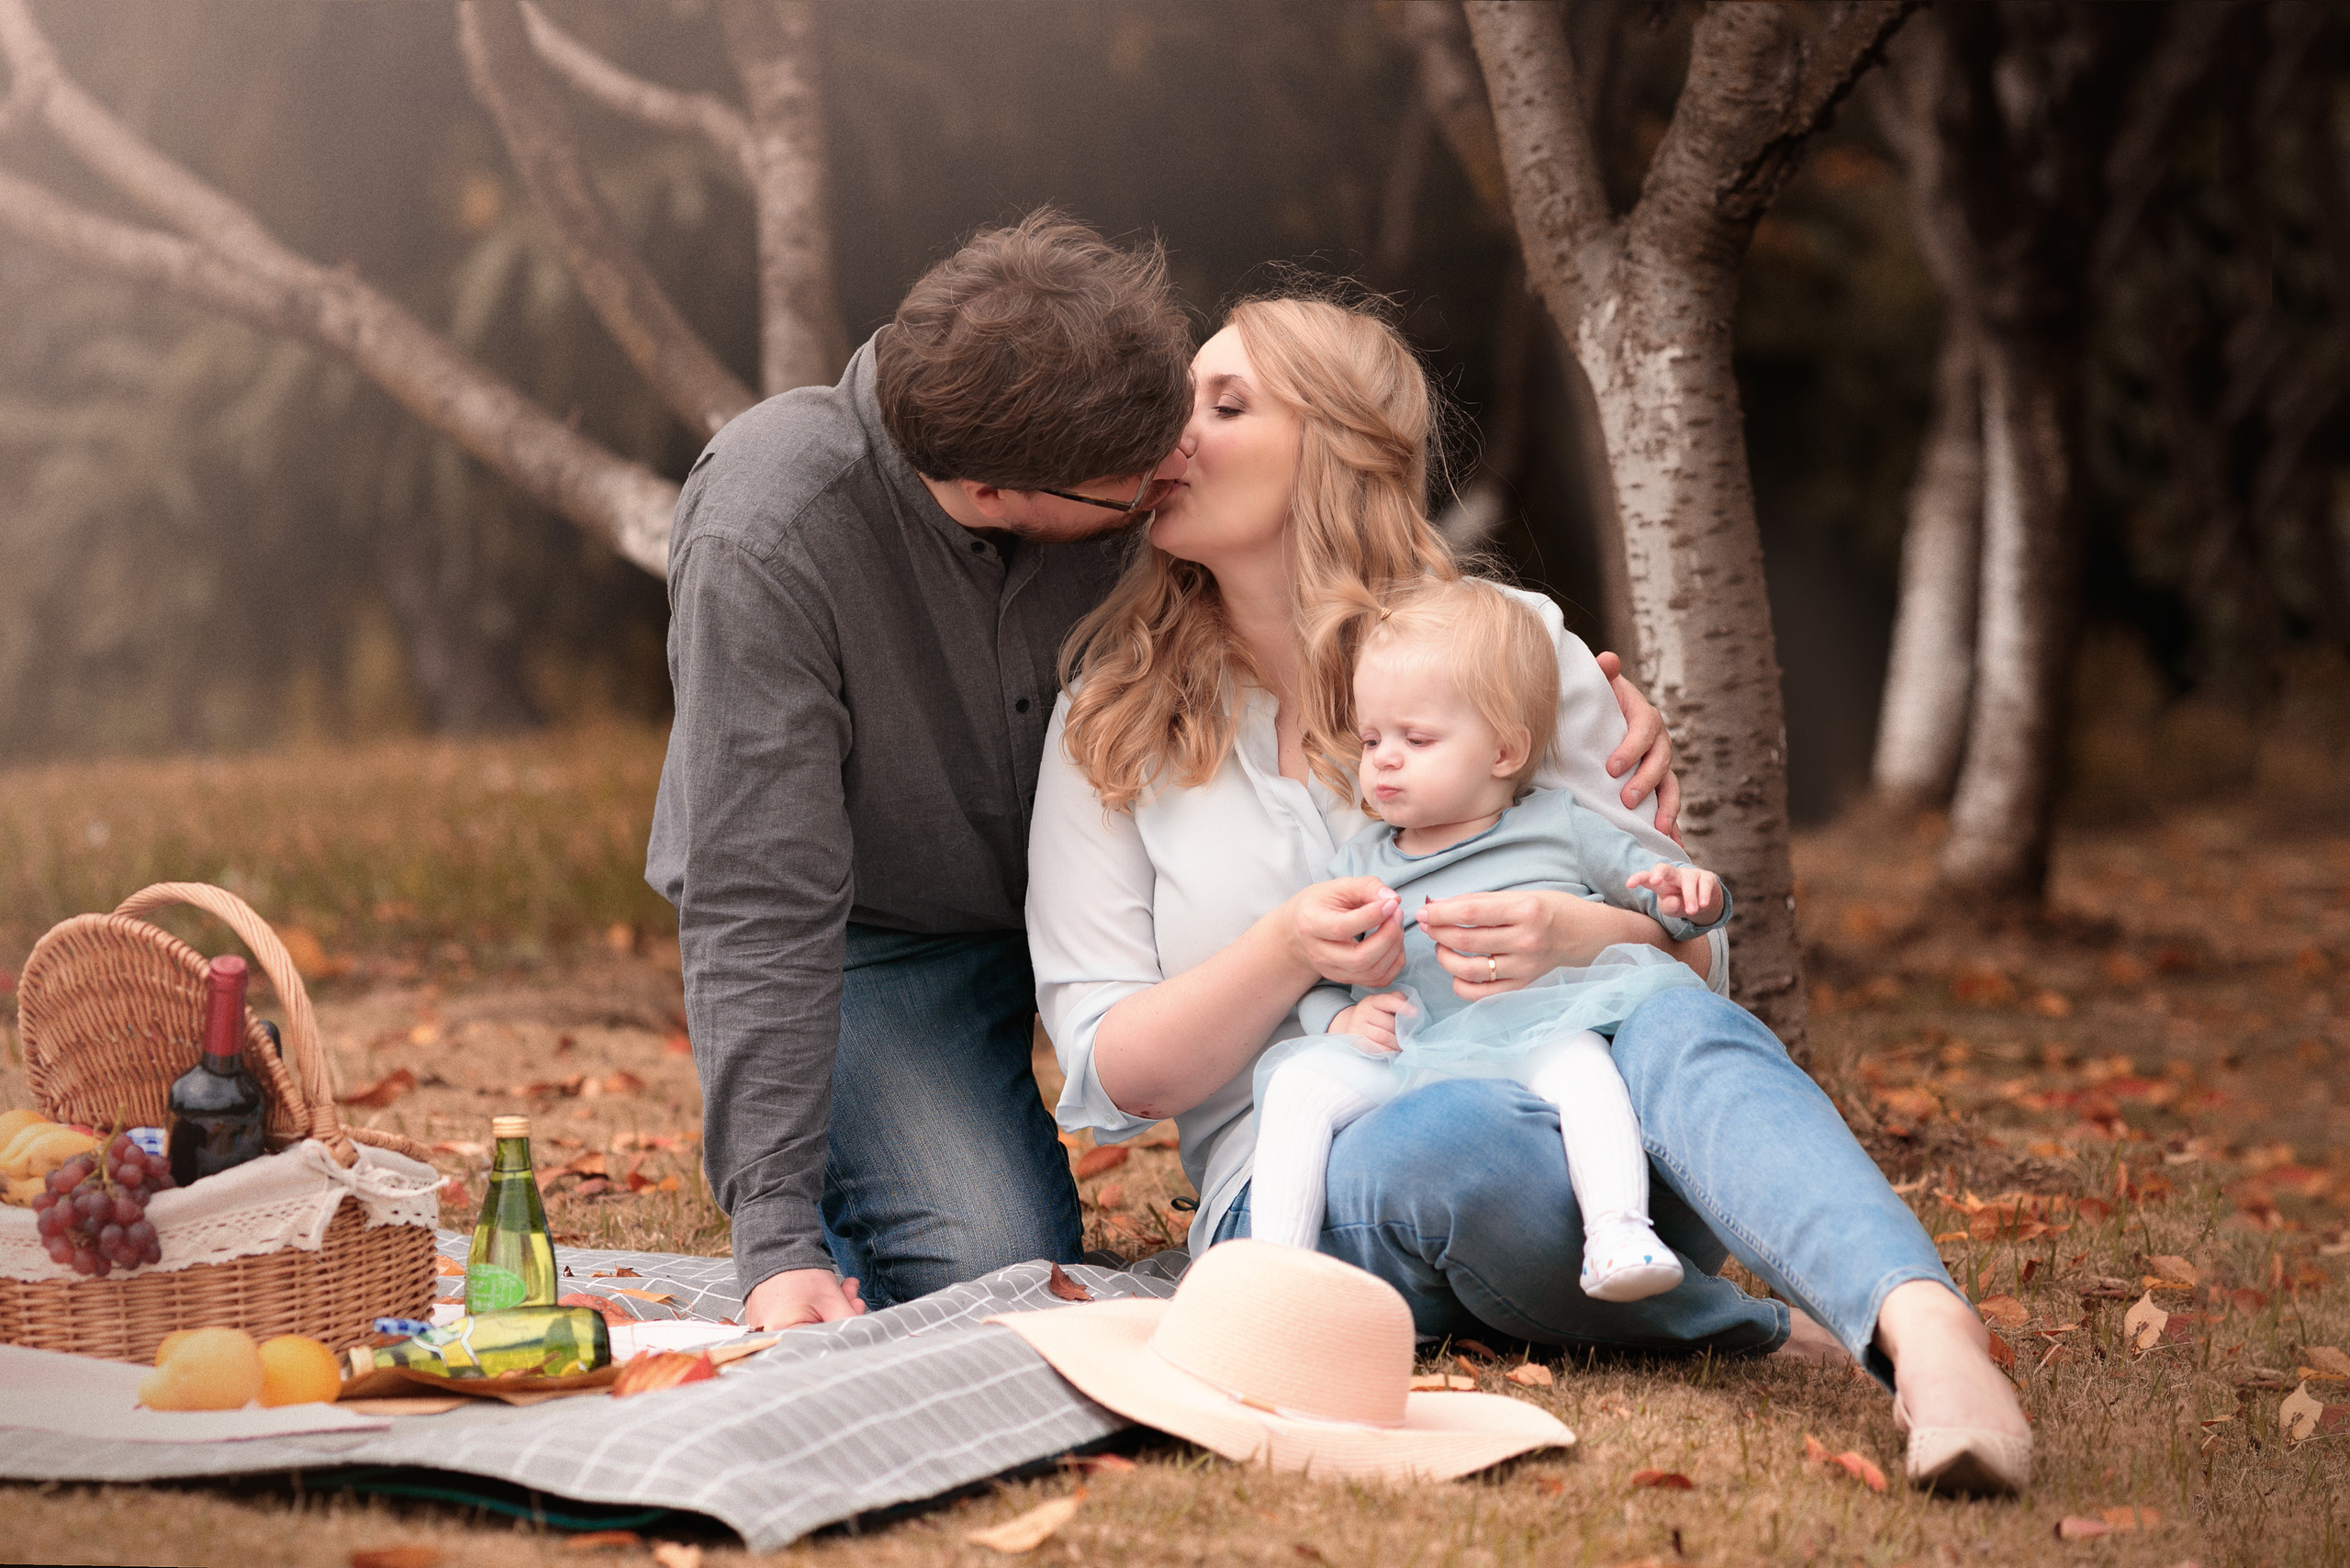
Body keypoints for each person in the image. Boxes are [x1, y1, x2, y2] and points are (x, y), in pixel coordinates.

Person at [1025, 294, 2033, 1495]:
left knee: (1661, 1020)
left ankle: (1928, 1336)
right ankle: (1740, 1326)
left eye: (1226, 405)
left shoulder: (1514, 646)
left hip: (1591, 1126)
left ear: (1336, 444)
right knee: (1442, 1139)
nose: (1171, 433)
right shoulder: (1115, 720)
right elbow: (1108, 1073)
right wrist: (1285, 952)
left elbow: (1687, 972)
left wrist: (1578, 930)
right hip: (1314, 1183)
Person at [646, 209, 1684, 1335]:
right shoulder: (773, 532)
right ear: (1002, 494)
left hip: (1093, 919)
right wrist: (777, 1235)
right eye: (1138, 482)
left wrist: (1550, 696)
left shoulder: (1097, 419)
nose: (1174, 460)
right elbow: (760, 898)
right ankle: (842, 1189)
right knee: (989, 1264)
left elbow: (1334, 541)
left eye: (1203, 415)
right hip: (879, 933)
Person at [1247, 577, 1729, 1305]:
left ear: (1504, 750)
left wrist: (1693, 892)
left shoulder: (1557, 825)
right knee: (1297, 1086)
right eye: (1372, 738)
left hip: (1534, 1031)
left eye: (1417, 739)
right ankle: (1270, 1277)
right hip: (1411, 1054)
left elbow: (1659, 898)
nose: (1382, 760)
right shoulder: (1359, 864)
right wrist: (1342, 1019)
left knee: (1584, 1070)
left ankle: (1619, 1232)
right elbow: (1315, 973)